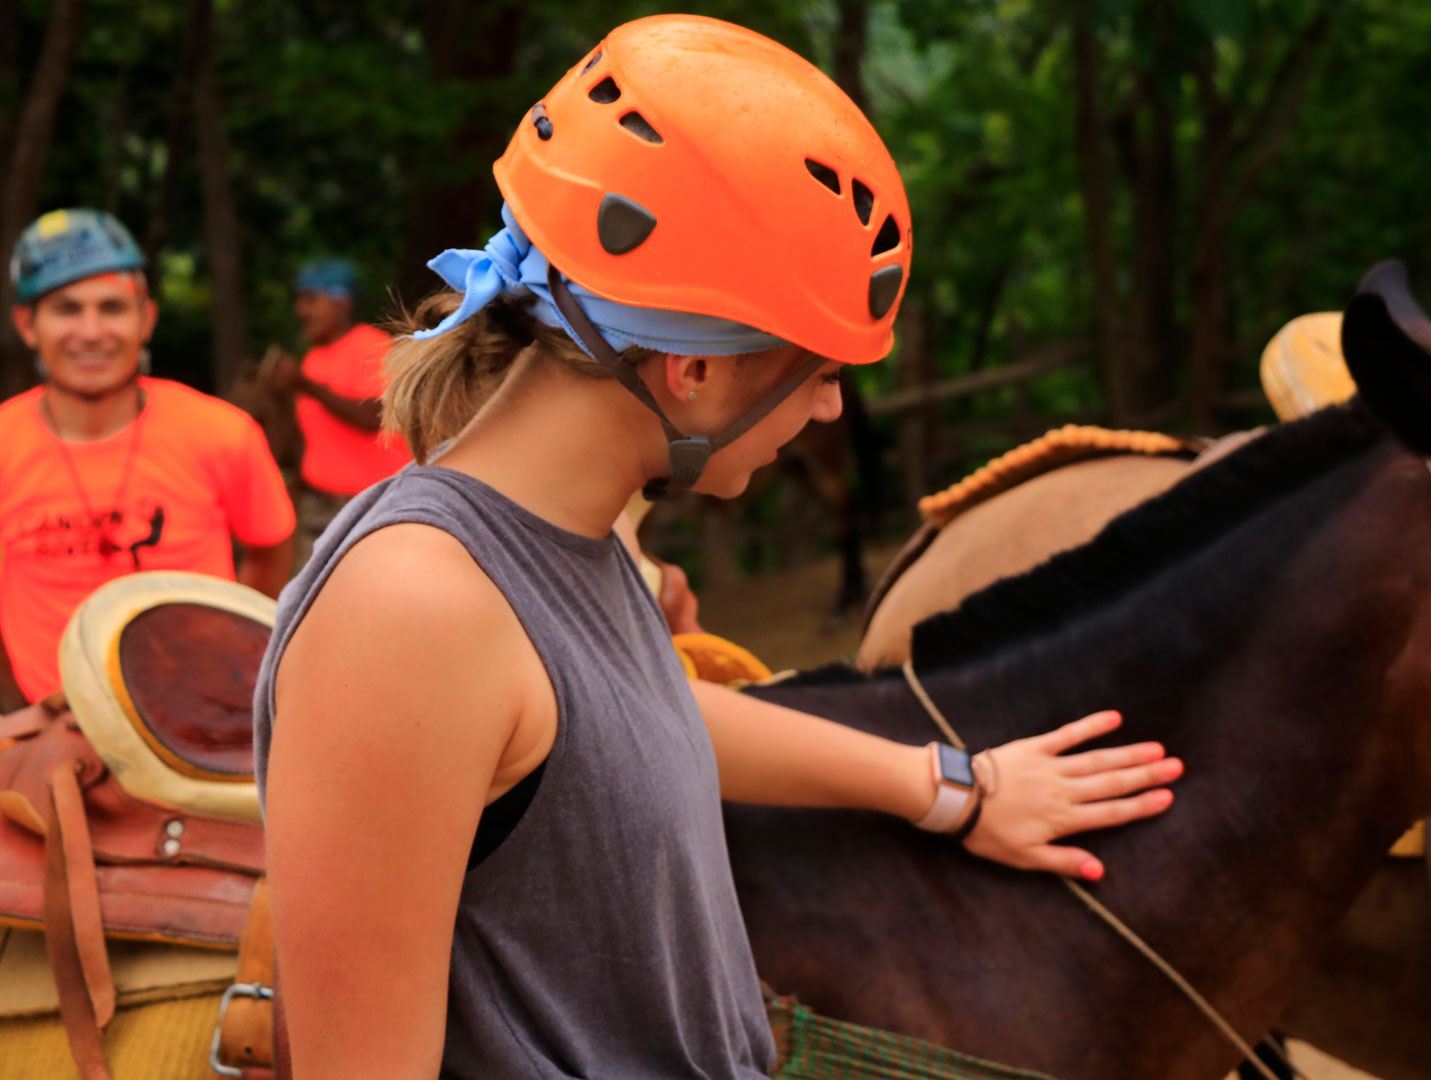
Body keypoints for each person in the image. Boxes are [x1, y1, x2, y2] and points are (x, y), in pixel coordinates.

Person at [256, 17, 1182, 1079]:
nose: (833, 410)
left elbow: (607, 726)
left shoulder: (567, 542)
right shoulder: (413, 610)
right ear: (692, 371)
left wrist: (948, 786)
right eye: (821, 371)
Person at [0, 208, 295, 709]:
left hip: (195, 718)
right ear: (28, 324)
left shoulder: (222, 434)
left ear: (146, 318)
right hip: (45, 725)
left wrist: (230, 657)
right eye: (67, 309)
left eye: (112, 308)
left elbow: (270, 552)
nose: (91, 332)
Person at [269, 257, 410, 560]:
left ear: (342, 303)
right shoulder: (313, 358)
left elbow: (376, 417)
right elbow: (319, 436)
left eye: (311, 300)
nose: (301, 311)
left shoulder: (374, 347)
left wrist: (306, 386)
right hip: (318, 508)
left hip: (372, 505)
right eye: (300, 301)